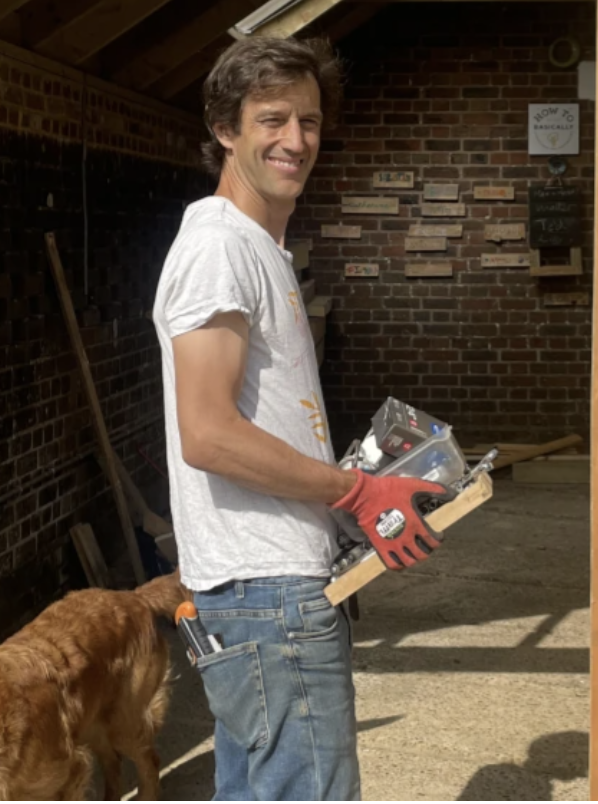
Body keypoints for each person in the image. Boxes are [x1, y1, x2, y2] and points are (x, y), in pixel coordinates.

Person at [153, 36, 453, 802]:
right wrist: (351, 493)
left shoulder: (257, 248)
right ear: (226, 128)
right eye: (272, 119)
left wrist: (345, 510)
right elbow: (209, 432)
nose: (295, 140)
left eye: (310, 121)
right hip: (268, 598)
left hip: (265, 590)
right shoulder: (221, 247)